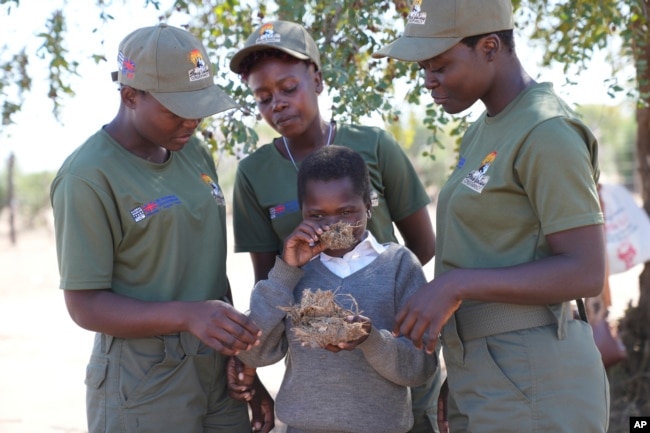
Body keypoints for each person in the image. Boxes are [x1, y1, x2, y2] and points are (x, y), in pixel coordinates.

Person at [372, 0, 610, 432]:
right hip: (485, 367)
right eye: (424, 68)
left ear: (489, 47)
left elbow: (586, 271)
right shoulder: (484, 128)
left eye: (439, 65)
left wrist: (455, 286)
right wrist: (464, 367)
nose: (429, 81)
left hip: (534, 372)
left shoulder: (546, 130)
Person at [50, 24, 272, 433]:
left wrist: (242, 357)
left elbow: (207, 268)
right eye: (176, 110)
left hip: (217, 368)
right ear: (130, 95)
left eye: (199, 107)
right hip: (145, 382)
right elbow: (84, 304)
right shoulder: (87, 177)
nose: (192, 122)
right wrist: (189, 316)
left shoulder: (191, 152)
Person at [228, 19, 442, 433]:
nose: (278, 104)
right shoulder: (254, 173)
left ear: (318, 79)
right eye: (263, 97)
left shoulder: (374, 145)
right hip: (318, 378)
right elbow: (268, 285)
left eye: (288, 88)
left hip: (394, 363)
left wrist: (372, 310)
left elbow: (421, 247)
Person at [236, 145, 439, 433]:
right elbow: (254, 353)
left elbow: (422, 367)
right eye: (317, 215)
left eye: (346, 211)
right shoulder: (293, 273)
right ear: (302, 211)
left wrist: (370, 340)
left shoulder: (398, 265)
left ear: (368, 205)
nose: (333, 224)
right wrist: (285, 272)